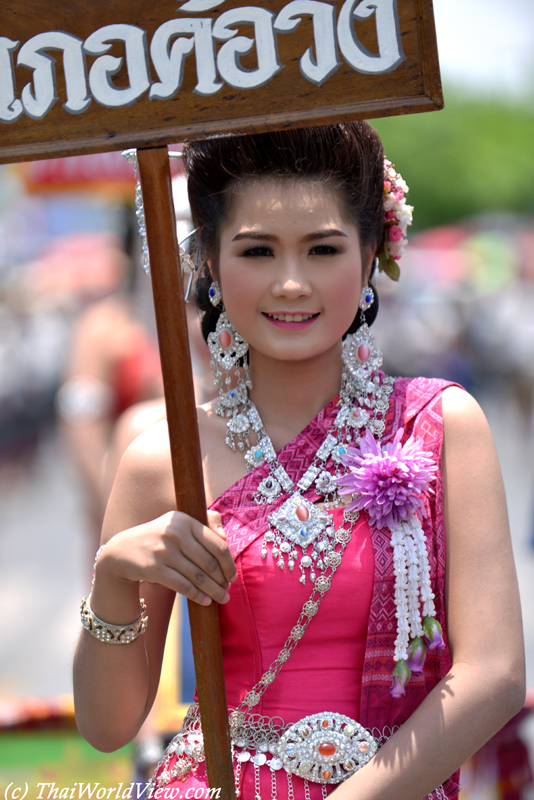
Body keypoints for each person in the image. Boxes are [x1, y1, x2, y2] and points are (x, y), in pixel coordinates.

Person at [73, 123, 525, 800]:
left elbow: (494, 675)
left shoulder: (441, 425)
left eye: (322, 249)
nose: (290, 282)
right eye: (257, 251)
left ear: (371, 253)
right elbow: (107, 728)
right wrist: (113, 577)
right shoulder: (166, 458)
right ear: (210, 265)